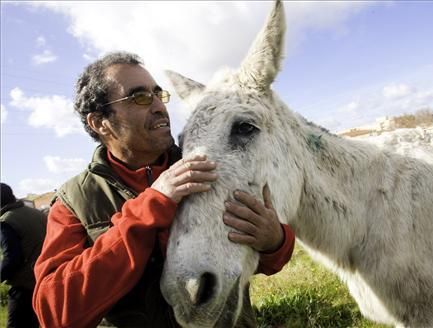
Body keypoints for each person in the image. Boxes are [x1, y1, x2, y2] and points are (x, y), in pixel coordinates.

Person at [33, 52, 295, 328]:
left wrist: (275, 241)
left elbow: (269, 260)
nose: (159, 106)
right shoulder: (74, 201)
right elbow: (55, 313)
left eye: (159, 94)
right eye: (140, 97)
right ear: (100, 122)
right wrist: (152, 205)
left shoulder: (207, 164)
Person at [1, 182, 47, 327]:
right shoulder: (37, 214)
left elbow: (12, 259)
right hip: (47, 279)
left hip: (25, 286)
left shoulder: (7, 221)